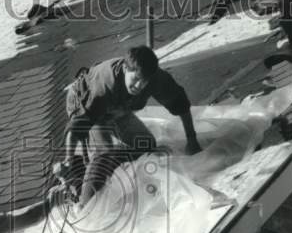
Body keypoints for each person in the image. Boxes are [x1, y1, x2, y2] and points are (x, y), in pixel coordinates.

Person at [54, 45, 201, 207]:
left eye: (144, 82)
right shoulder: (102, 87)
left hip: (119, 109)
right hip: (86, 103)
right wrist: (67, 160)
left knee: (146, 145)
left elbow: (180, 104)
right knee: (104, 153)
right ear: (125, 68)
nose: (139, 86)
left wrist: (192, 139)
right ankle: (82, 202)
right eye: (136, 79)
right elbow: (76, 128)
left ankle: (90, 166)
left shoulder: (156, 79)